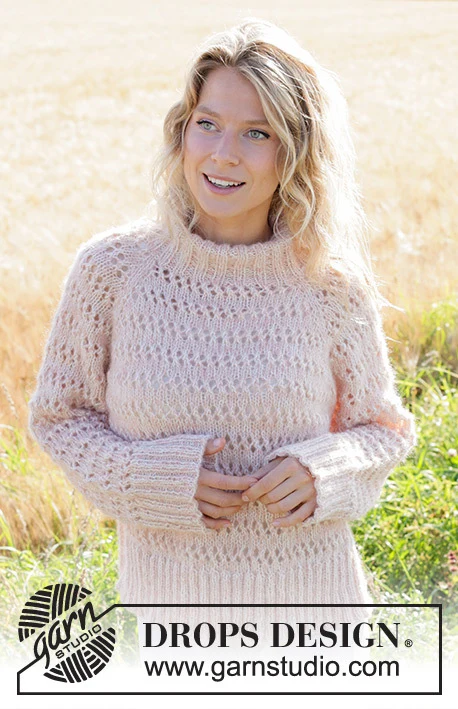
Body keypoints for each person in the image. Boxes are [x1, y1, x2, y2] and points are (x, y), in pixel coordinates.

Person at [28, 18, 417, 663]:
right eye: (207, 123)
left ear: (295, 152)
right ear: (182, 130)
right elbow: (60, 417)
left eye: (257, 133)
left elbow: (383, 428)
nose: (223, 154)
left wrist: (325, 470)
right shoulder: (114, 272)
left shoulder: (329, 284)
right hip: (174, 630)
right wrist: (153, 480)